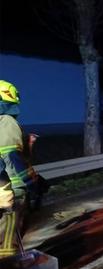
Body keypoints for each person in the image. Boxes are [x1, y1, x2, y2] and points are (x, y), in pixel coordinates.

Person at [0, 80, 39, 258]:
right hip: (10, 186)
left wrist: (27, 143)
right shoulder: (6, 121)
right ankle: (7, 259)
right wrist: (30, 183)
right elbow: (13, 156)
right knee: (10, 222)